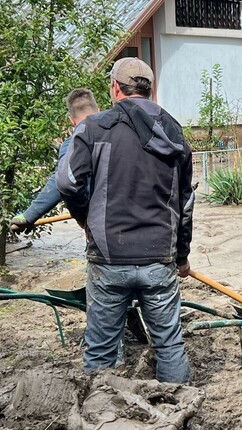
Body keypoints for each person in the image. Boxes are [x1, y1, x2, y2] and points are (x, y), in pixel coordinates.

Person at [56, 57, 194, 383]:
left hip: (109, 256)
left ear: (115, 88)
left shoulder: (94, 128)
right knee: (170, 344)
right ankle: (178, 412)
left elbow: (67, 182)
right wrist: (182, 256)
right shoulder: (174, 131)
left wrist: (84, 218)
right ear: (150, 89)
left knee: (101, 350)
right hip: (159, 257)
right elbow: (186, 202)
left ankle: (102, 413)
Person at [10, 88, 101, 233]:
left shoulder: (73, 143)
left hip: (99, 222)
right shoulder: (118, 133)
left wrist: (29, 215)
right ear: (99, 111)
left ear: (71, 120)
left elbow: (62, 181)